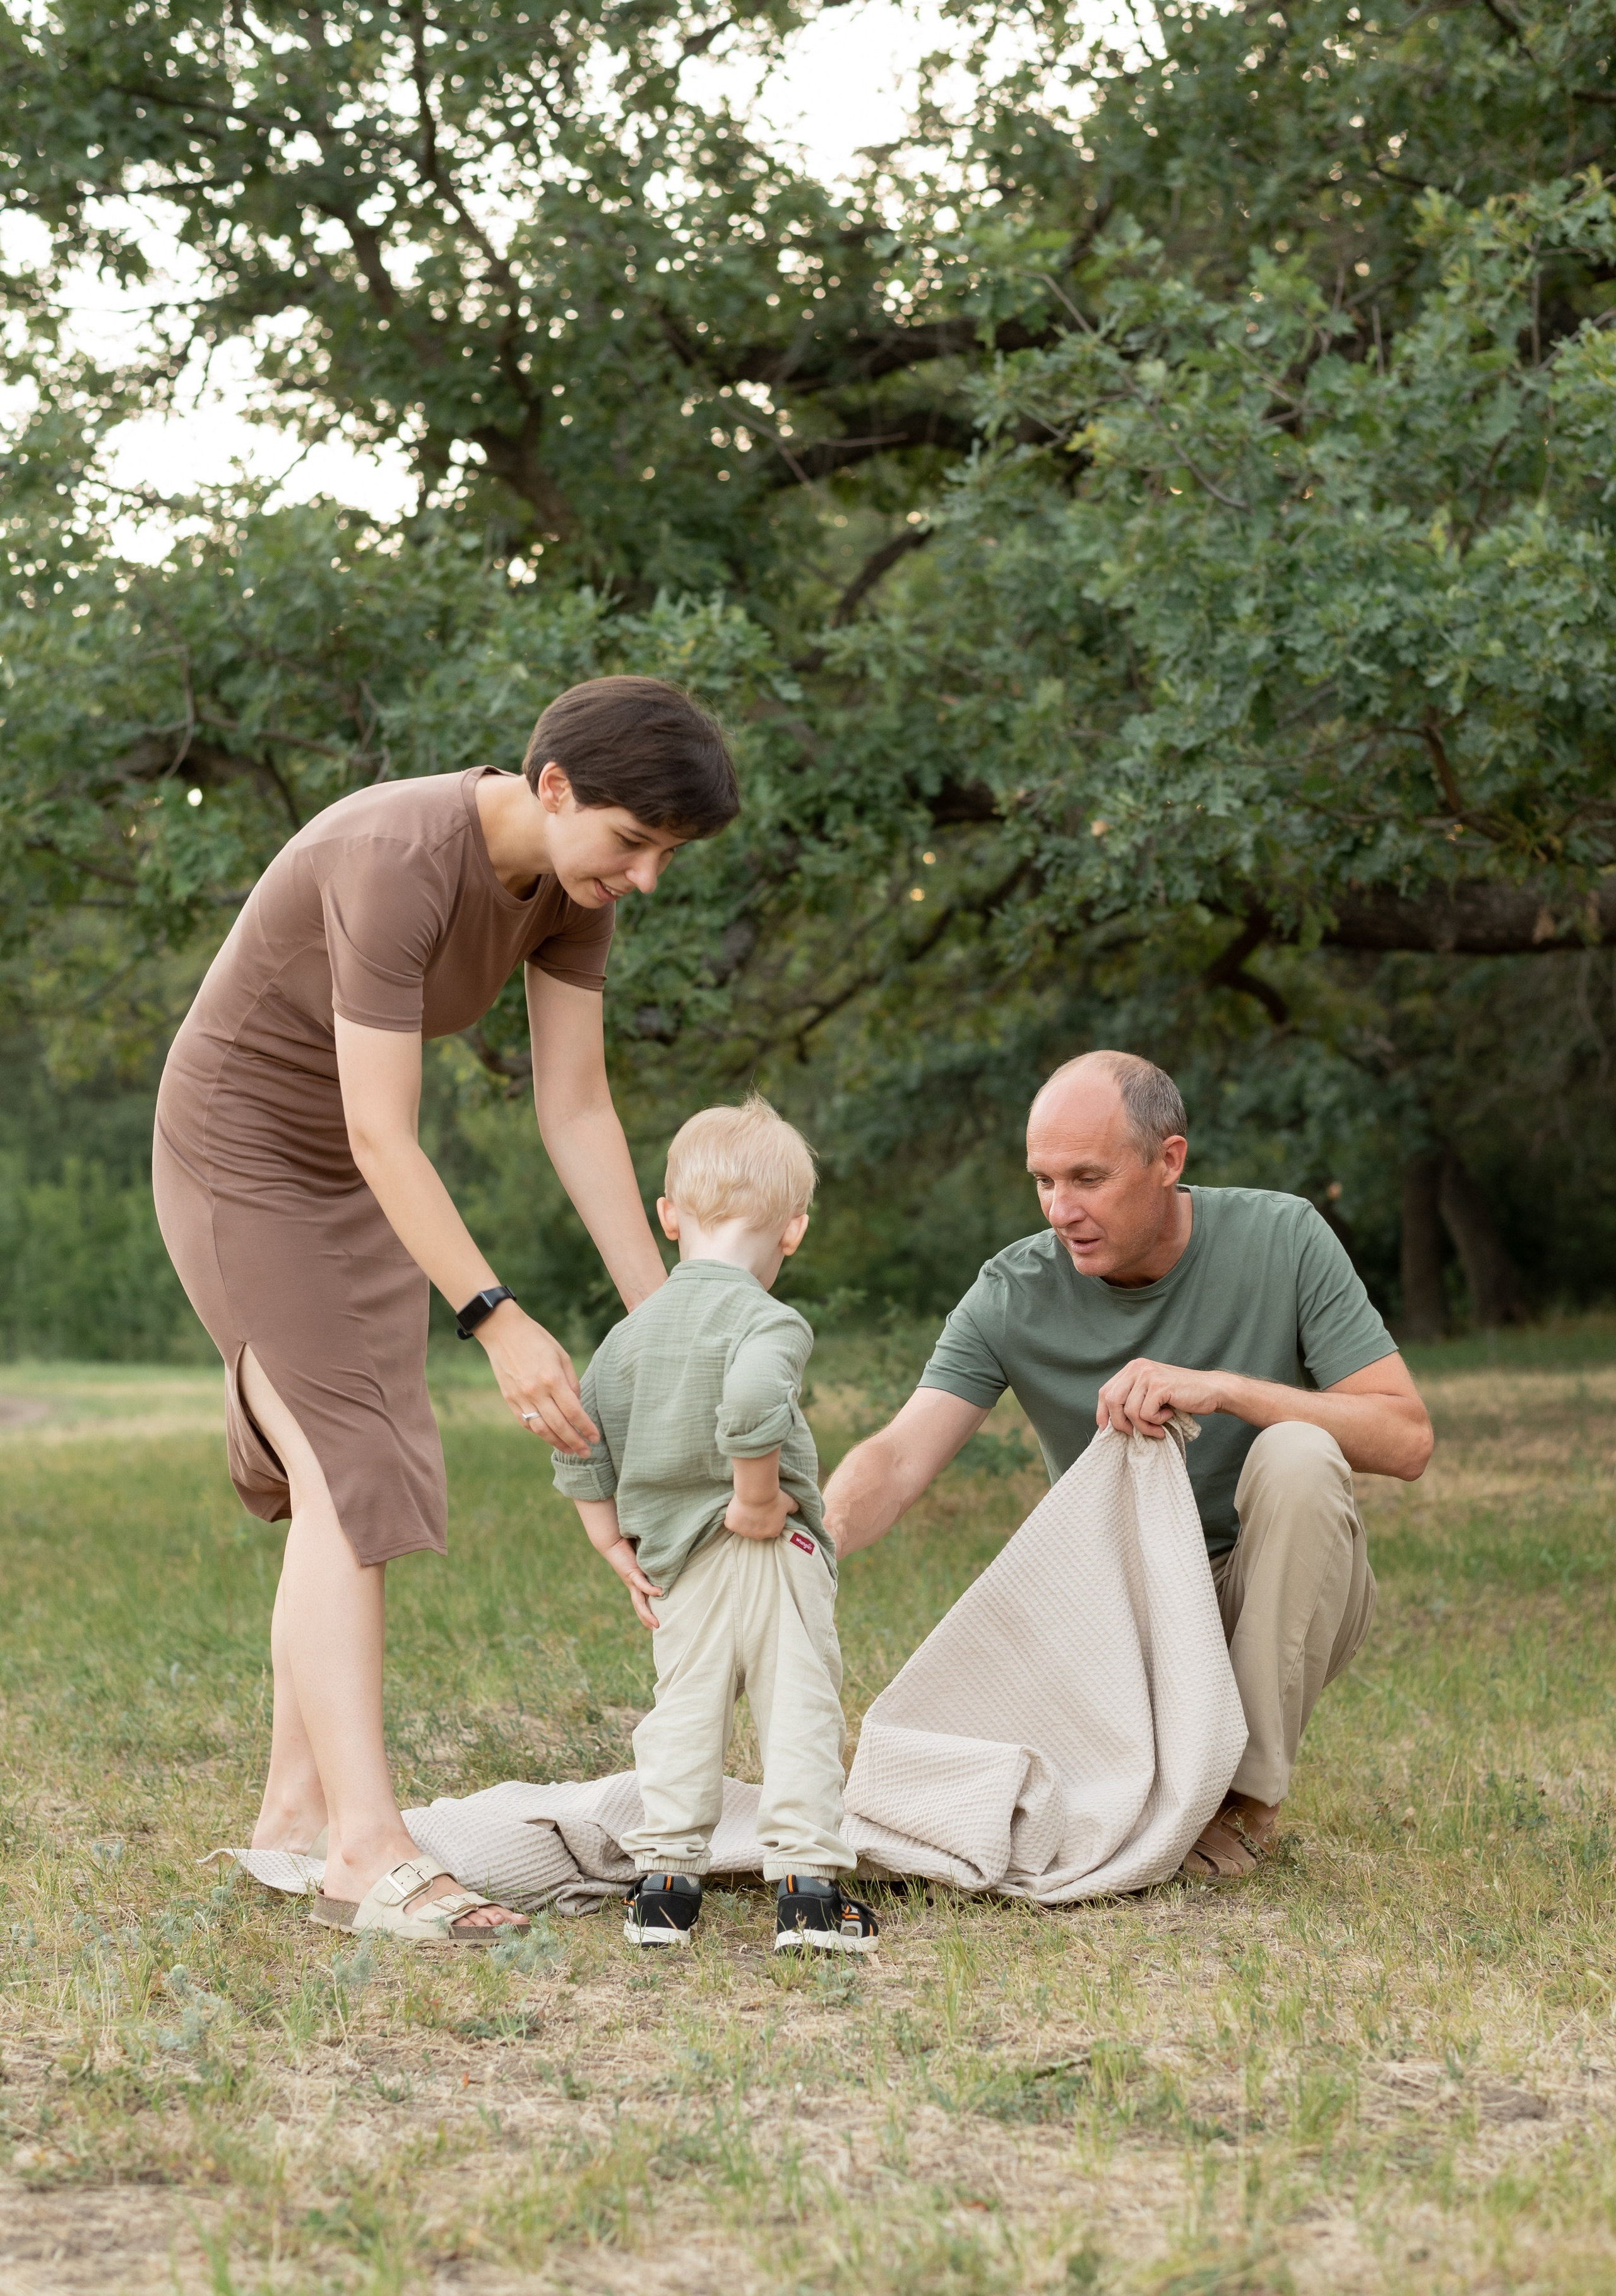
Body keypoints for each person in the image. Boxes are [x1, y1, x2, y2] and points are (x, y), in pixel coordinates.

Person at [153, 675, 738, 1944]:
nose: (641, 879)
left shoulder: (563, 892)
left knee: (360, 1472)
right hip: (242, 1155)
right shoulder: (395, 855)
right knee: (348, 1464)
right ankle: (366, 1852)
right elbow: (379, 1123)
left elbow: (575, 1110)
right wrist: (496, 1315)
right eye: (633, 843)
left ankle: (293, 1822)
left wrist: (669, 1316)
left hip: (355, 1176)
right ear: (553, 788)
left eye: (664, 857)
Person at [822, 1050, 1434, 1881]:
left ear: (1168, 1160)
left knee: (1299, 1452)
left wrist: (1225, 1390)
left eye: (1087, 1177)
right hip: (1119, 1618)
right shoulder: (1014, 1291)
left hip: (1277, 1595)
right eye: (1042, 1180)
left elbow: (1406, 1438)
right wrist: (804, 1543)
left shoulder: (1283, 1235)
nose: (1060, 1208)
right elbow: (897, 1458)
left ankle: (1241, 1804)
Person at [554, 1094, 879, 1956]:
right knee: (797, 1710)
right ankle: (808, 1894)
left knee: (684, 1716)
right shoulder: (769, 1319)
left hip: (678, 1566)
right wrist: (757, 1494)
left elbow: (581, 1436)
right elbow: (751, 1400)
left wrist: (610, 1543)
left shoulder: (626, 1337)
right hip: (774, 1552)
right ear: (794, 1230)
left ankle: (664, 1890)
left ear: (667, 1216)